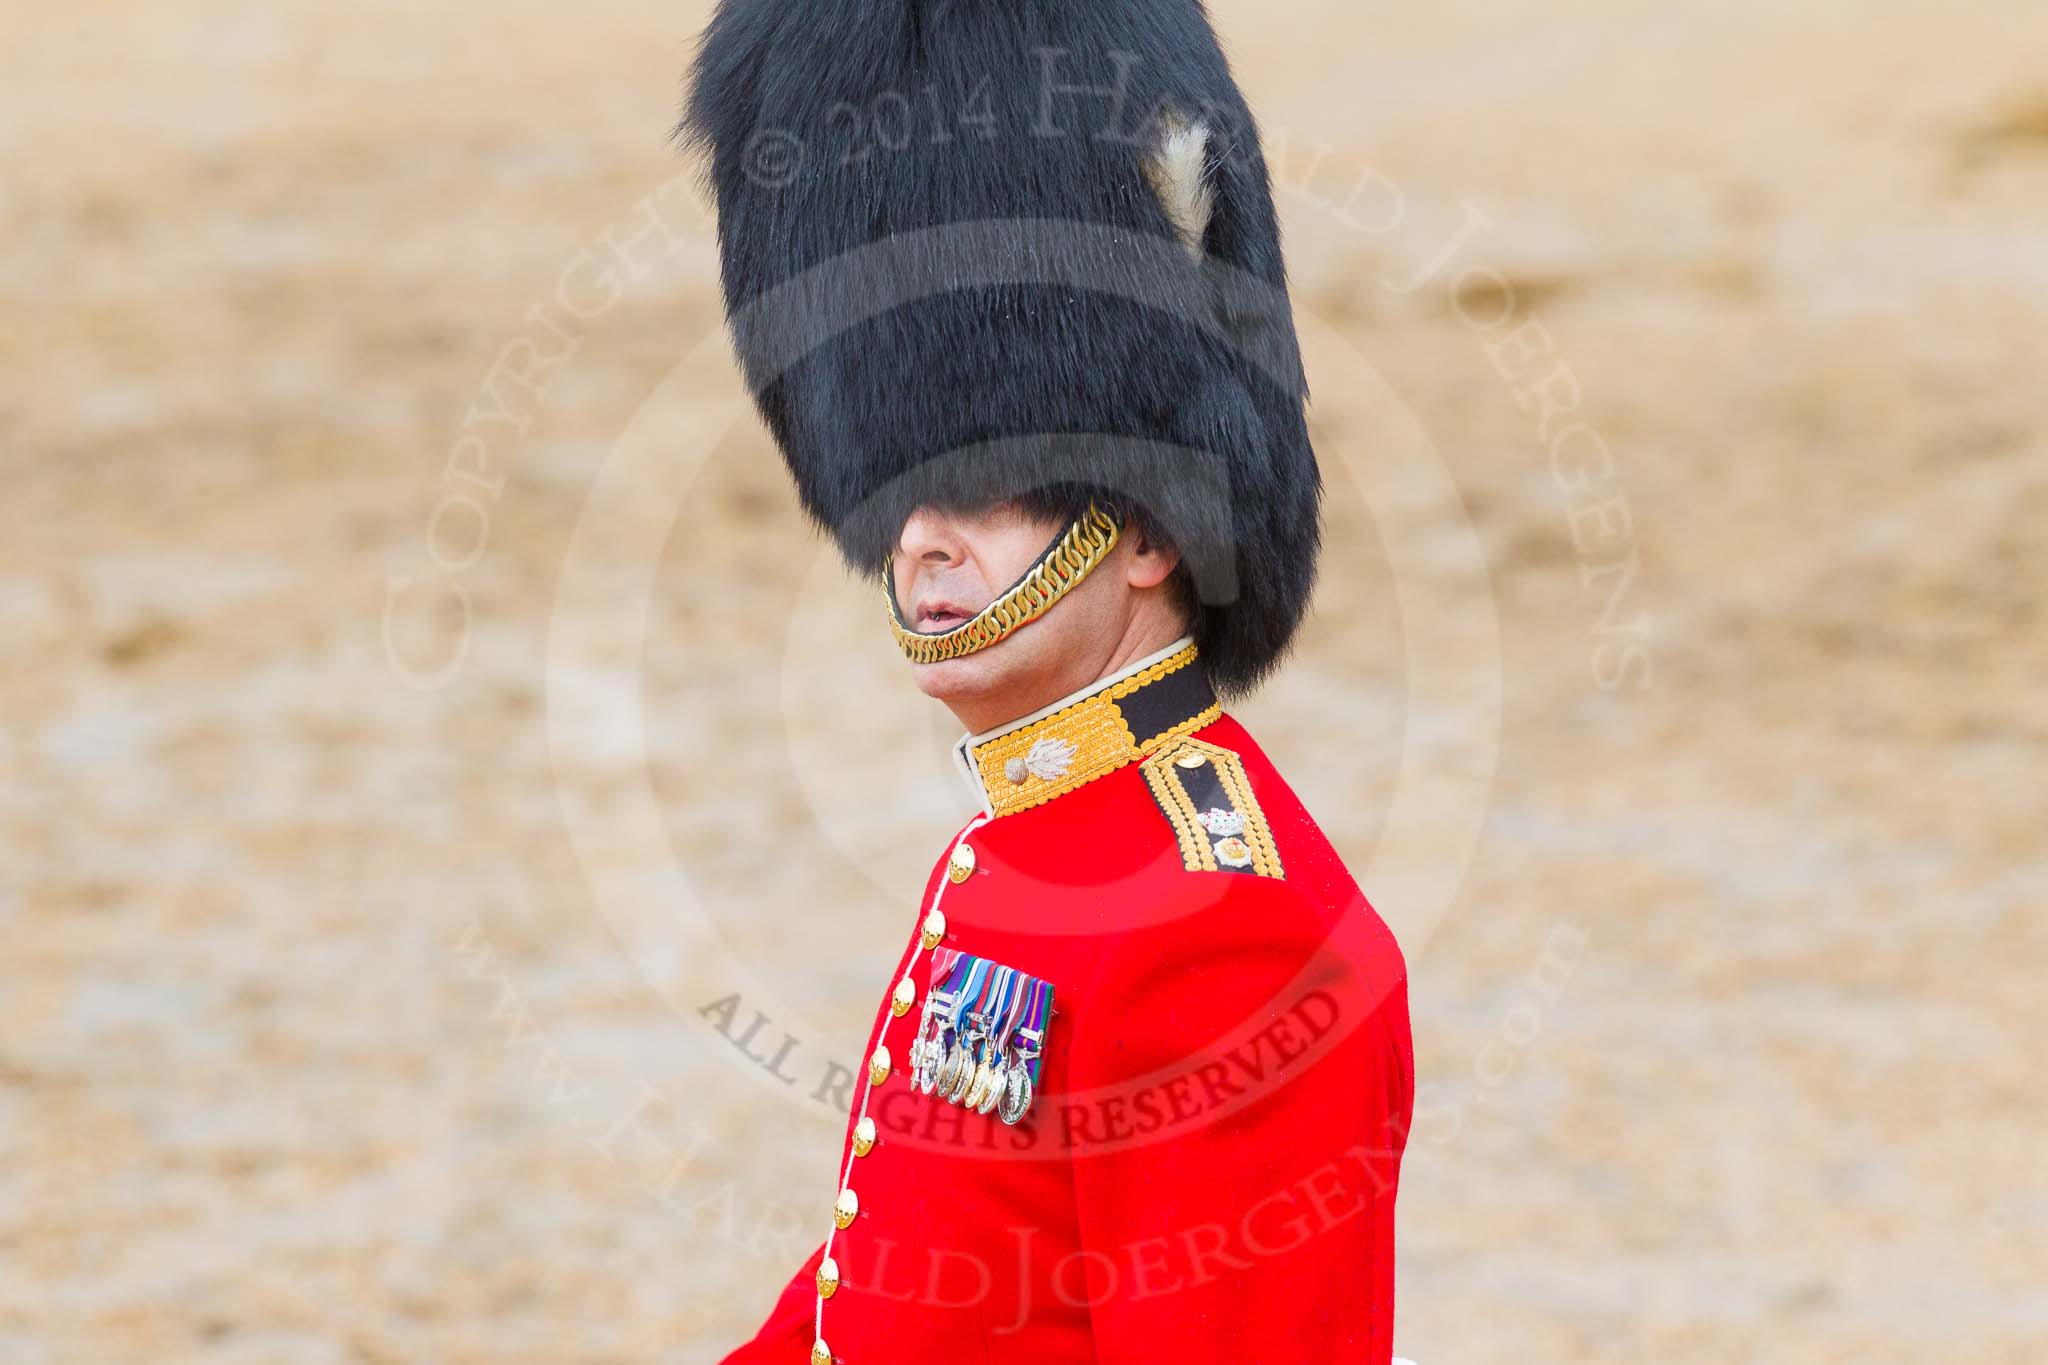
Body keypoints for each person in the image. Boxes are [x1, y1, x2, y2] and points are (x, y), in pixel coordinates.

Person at [677, 2, 1416, 1359]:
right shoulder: (1035, 848)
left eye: (979, 483)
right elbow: (884, 1291)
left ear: (1143, 527)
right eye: (901, 481)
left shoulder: (1230, 942)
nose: (919, 533)